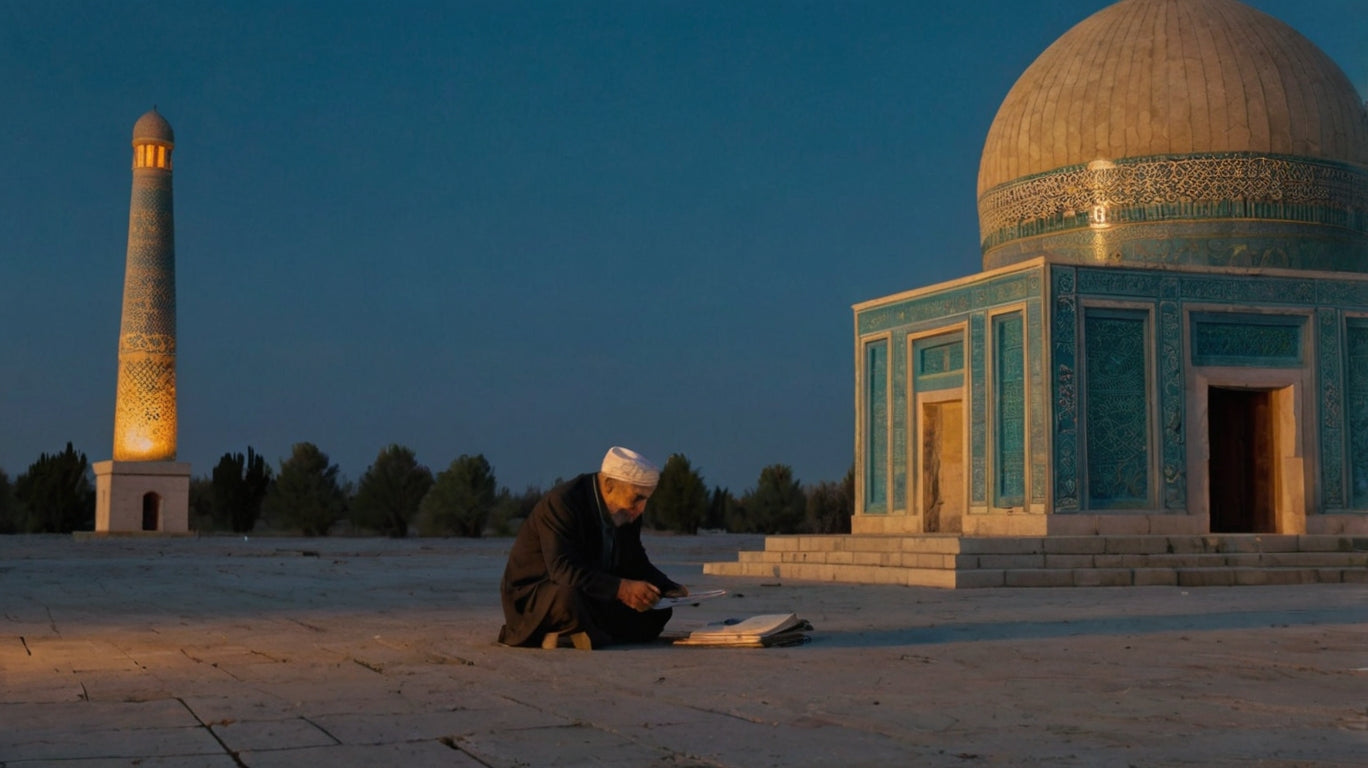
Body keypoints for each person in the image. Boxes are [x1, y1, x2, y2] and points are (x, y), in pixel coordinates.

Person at [498, 446, 688, 650]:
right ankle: (573, 632)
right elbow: (562, 571)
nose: (640, 509)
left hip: (593, 589)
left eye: (645, 500)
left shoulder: (627, 512)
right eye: (637, 498)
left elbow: (634, 560)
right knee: (569, 597)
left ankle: (584, 632)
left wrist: (669, 588)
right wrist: (621, 589)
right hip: (539, 595)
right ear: (608, 486)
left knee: (658, 609)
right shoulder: (563, 502)